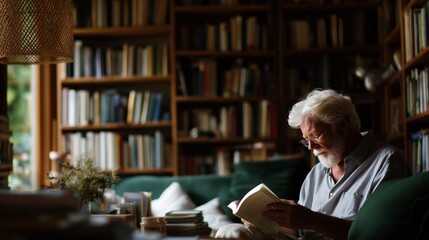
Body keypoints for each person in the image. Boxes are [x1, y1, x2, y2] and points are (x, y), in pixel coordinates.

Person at [215, 89, 407, 240]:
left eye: (315, 136)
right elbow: (301, 231)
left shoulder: (387, 161)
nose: (310, 147)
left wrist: (311, 219)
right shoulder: (316, 173)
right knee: (231, 231)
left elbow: (378, 233)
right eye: (305, 140)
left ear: (343, 126)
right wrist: (262, 219)